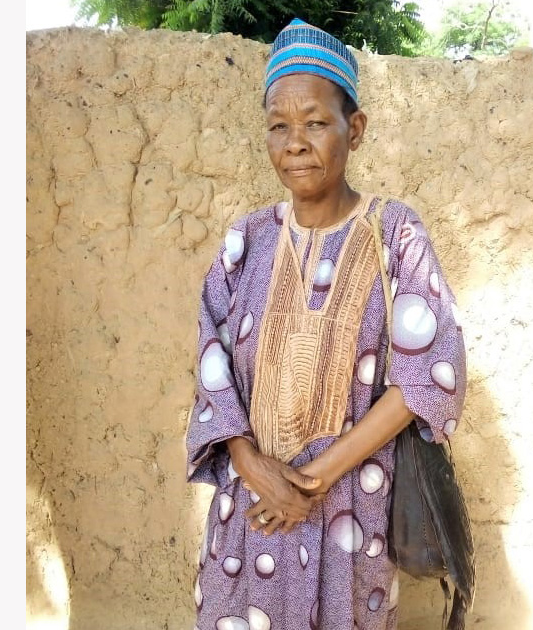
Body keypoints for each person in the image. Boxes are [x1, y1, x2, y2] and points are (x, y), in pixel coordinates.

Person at [185, 18, 467, 630]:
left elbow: (427, 377)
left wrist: (310, 483)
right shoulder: (246, 241)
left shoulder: (395, 234)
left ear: (354, 129)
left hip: (351, 512)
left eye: (315, 122)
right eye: (278, 126)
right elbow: (212, 373)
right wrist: (256, 468)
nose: (295, 142)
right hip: (249, 510)